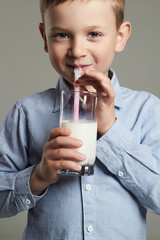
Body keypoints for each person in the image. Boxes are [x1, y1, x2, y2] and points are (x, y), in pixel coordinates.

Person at [0, 0, 160, 239]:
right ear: (45, 37)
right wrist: (38, 177)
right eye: (62, 35)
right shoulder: (26, 113)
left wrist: (110, 129)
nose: (76, 50)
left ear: (120, 36)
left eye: (94, 34)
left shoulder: (146, 110)